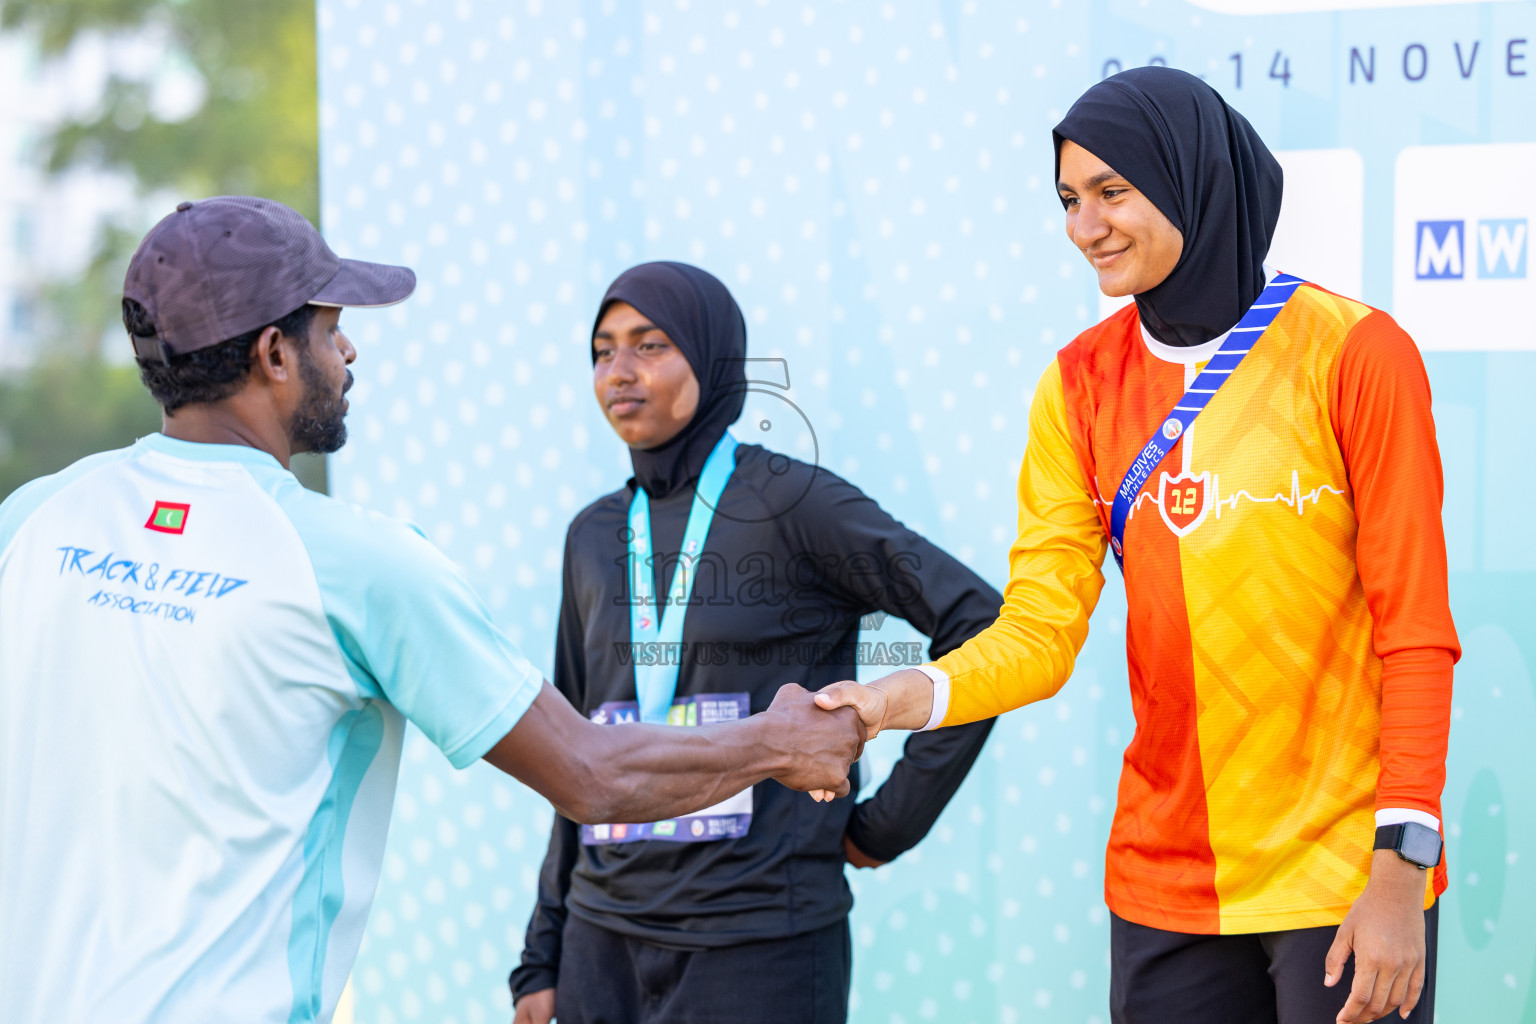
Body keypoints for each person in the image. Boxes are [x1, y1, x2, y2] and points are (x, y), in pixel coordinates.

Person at [0, 198, 865, 1024]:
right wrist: (777, 741)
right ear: (273, 354)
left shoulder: (32, 519)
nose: (349, 354)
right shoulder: (357, 565)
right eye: (332, 330)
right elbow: (597, 777)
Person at [817, 68, 1458, 1024]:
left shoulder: (1355, 353)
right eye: (1070, 200)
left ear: (1190, 177)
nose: (1085, 227)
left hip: (1341, 873)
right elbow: (1039, 629)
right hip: (1165, 880)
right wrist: (895, 697)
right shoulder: (1076, 387)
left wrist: (1401, 870)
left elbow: (1416, 632)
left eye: (1113, 193)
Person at [508, 261, 1000, 1024]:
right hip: (600, 944)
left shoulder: (793, 505)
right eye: (602, 351)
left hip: (759, 944)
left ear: (710, 357)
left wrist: (889, 822)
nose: (620, 372)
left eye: (650, 344)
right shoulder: (593, 535)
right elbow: (570, 745)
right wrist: (545, 953)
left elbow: (981, 621)